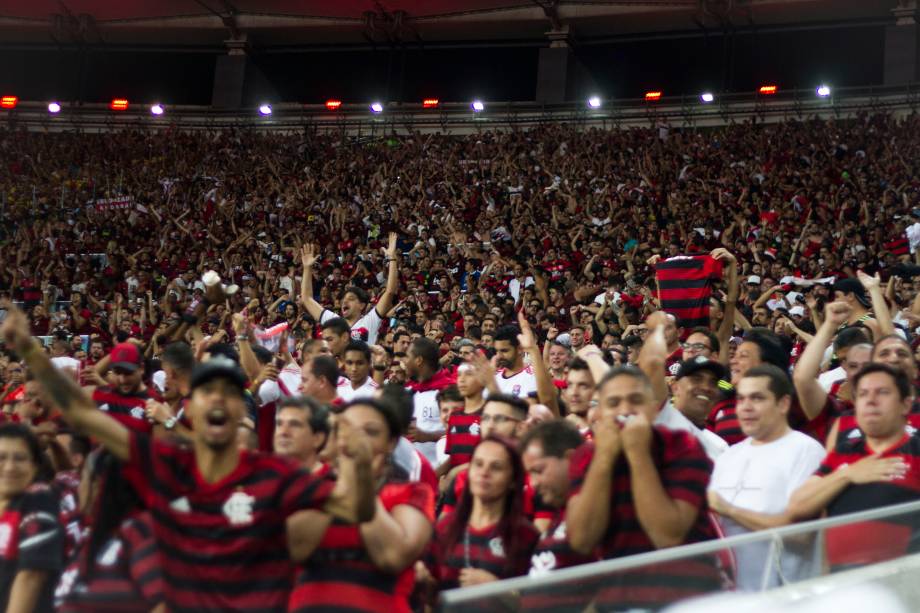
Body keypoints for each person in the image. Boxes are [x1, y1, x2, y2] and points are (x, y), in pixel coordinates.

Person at [0, 302, 375, 613]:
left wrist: (357, 461)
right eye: (206, 391)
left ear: (241, 407)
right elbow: (80, 412)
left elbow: (353, 509)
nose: (216, 399)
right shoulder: (166, 463)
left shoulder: (273, 475)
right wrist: (30, 350)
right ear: (189, 405)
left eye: (227, 393)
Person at [566, 365, 719, 609]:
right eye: (614, 403)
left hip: (689, 598)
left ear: (652, 407)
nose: (625, 410)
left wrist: (637, 452)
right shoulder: (585, 456)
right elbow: (582, 540)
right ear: (599, 411)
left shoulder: (684, 445)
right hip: (621, 597)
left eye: (635, 400)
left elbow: (667, 537)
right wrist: (604, 457)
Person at [286, 398, 434, 613]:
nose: (357, 441)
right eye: (348, 431)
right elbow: (295, 547)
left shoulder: (413, 492)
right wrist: (343, 484)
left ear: (390, 442)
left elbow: (393, 557)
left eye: (370, 432)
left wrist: (360, 481)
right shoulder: (310, 486)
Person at [788, 363, 920, 571]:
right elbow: (797, 506)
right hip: (845, 588)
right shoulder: (844, 451)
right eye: (863, 394)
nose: (871, 400)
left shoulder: (916, 449)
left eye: (882, 392)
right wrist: (848, 474)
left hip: (904, 585)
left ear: (905, 404)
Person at [707, 365, 825, 590]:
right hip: (733, 595)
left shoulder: (806, 451)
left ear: (783, 404)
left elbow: (801, 534)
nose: (746, 408)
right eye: (741, 399)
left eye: (757, 398)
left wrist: (730, 510)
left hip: (786, 596)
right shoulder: (728, 456)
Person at [55, 450, 164, 612]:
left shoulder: (140, 530)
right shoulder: (93, 538)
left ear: (98, 484)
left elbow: (167, 603)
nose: (78, 487)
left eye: (82, 478)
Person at [428, 436, 539, 590]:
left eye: (496, 467)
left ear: (513, 480)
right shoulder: (445, 528)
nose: (484, 473)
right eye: (478, 464)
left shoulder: (526, 536)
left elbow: (536, 600)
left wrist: (496, 588)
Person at [0, 423, 63, 613]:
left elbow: (32, 576)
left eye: (20, 459)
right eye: (1, 458)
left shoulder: (38, 497)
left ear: (35, 467)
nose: (10, 467)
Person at [522, 420, 596, 576]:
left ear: (571, 458)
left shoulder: (596, 512)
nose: (533, 484)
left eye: (539, 470)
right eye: (529, 474)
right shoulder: (559, 513)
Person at [300, 235, 399, 346]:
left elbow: (390, 291)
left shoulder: (370, 320)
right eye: (343, 300)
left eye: (351, 299)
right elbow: (306, 299)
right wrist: (307, 268)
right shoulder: (334, 321)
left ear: (362, 305)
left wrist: (392, 259)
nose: (345, 302)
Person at [405, 337, 456, 465]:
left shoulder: (450, 391)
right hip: (413, 470)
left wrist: (427, 436)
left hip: (438, 472)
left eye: (407, 357)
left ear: (418, 360)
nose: (404, 362)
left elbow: (460, 430)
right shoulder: (412, 391)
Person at [86, 343, 158, 433]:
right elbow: (89, 375)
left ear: (141, 368)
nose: (122, 380)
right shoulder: (102, 393)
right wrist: (120, 349)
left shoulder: (155, 403)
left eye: (128, 373)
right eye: (117, 373)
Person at [274, 397, 330, 473]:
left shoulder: (335, 483)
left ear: (317, 439)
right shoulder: (261, 479)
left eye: (294, 425)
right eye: (279, 424)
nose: (283, 432)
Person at [493, 325, 538, 400]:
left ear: (520, 349)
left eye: (504, 351)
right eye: (497, 351)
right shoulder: (493, 376)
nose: (498, 356)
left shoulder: (534, 376)